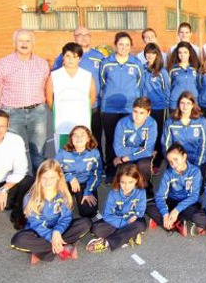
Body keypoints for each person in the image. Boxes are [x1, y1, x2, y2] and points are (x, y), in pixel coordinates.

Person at [10, 160, 91, 264]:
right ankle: (61, 247)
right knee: (17, 240)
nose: (48, 182)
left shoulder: (63, 194)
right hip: (39, 232)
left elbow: (66, 218)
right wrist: (51, 237)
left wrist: (57, 231)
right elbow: (36, 223)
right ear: (39, 178)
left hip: (60, 230)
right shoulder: (30, 197)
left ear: (58, 177)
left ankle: (42, 252)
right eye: (44, 178)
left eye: (52, 177)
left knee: (86, 223)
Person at [0, 29, 49, 171]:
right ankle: (14, 186)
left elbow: (46, 85)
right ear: (14, 43)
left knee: (39, 152)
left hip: (37, 112)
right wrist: (3, 108)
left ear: (33, 43)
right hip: (12, 113)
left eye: (28, 41)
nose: (24, 44)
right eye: (20, 41)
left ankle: (38, 186)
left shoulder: (42, 64)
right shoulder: (2, 64)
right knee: (13, 152)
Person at [52, 27, 105, 162]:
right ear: (74, 36)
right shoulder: (63, 57)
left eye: (87, 35)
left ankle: (95, 163)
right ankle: (71, 164)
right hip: (69, 108)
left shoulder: (99, 56)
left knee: (94, 137)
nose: (83, 37)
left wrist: (90, 104)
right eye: (79, 35)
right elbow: (55, 79)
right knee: (73, 137)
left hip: (93, 105)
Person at [100, 32, 143, 180]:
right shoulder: (106, 62)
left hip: (129, 109)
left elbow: (139, 84)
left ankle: (127, 170)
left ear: (131, 46)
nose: (124, 47)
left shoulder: (136, 64)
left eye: (127, 44)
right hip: (110, 108)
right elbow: (103, 83)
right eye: (120, 44)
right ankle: (111, 171)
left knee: (128, 139)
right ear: (115, 45)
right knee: (112, 139)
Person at [147, 143, 206, 237]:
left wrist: (176, 210)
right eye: (171, 162)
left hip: (188, 202)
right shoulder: (168, 173)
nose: (174, 164)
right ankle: (174, 223)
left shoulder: (195, 171)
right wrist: (164, 214)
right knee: (149, 206)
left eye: (176, 159)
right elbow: (160, 196)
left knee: (197, 214)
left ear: (184, 157)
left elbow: (194, 196)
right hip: (172, 200)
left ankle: (167, 222)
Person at [46, 42, 96, 152]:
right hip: (62, 123)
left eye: (75, 57)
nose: (71, 60)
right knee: (63, 152)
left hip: (81, 121)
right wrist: (57, 111)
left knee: (82, 151)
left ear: (80, 59)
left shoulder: (86, 75)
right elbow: (49, 98)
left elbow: (92, 97)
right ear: (63, 57)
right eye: (68, 56)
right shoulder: (55, 75)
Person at [86, 164, 147, 253]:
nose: (126, 186)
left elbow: (140, 211)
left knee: (140, 225)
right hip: (117, 220)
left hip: (133, 220)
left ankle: (106, 242)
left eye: (130, 182)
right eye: (123, 182)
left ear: (136, 180)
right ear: (118, 181)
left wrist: (134, 216)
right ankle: (129, 235)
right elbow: (107, 215)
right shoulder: (113, 194)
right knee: (95, 229)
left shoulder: (141, 192)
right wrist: (124, 223)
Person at [54, 126, 102, 218]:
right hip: (66, 183)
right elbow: (54, 171)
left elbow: (97, 174)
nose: (78, 138)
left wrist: (88, 191)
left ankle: (81, 197)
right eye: (75, 135)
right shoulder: (63, 152)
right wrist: (70, 178)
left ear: (88, 138)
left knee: (88, 212)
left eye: (82, 135)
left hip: (85, 183)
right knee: (56, 211)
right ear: (71, 139)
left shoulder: (94, 153)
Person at [113, 97, 157, 196]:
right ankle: (128, 193)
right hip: (126, 155)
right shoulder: (122, 123)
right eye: (135, 111)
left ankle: (146, 188)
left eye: (142, 113)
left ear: (148, 113)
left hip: (132, 156)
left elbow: (148, 150)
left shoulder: (152, 124)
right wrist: (138, 149)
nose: (137, 116)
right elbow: (118, 150)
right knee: (126, 170)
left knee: (143, 165)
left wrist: (129, 157)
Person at [161, 92, 206, 176]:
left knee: (197, 186)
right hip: (176, 162)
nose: (185, 106)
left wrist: (197, 164)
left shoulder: (201, 121)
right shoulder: (170, 122)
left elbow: (205, 145)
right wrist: (174, 162)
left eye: (188, 103)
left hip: (197, 161)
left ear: (192, 105)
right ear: (178, 105)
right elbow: (166, 145)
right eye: (182, 103)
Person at [140, 42, 170, 172]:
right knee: (145, 133)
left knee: (158, 134)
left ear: (157, 54)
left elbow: (167, 90)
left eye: (153, 53)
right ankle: (146, 157)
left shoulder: (161, 72)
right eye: (147, 53)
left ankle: (157, 161)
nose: (150, 55)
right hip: (144, 108)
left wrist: (165, 104)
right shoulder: (142, 69)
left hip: (159, 107)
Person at [167, 41, 201, 111]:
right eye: (180, 52)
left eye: (185, 52)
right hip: (175, 103)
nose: (182, 55)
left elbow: (199, 86)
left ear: (189, 54)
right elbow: (167, 87)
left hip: (192, 103)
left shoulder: (196, 68)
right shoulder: (172, 69)